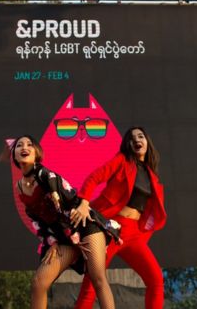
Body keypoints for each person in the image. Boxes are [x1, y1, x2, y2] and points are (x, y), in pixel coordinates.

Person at [10, 135, 120, 309]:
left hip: (83, 224)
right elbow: (38, 221)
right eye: (19, 145)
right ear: (14, 155)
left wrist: (54, 193)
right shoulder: (19, 188)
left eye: (29, 144)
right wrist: (52, 242)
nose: (24, 147)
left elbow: (49, 177)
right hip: (63, 237)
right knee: (39, 282)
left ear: (37, 152)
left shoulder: (42, 173)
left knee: (97, 277)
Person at [73, 127, 167, 309]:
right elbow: (94, 177)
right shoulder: (122, 161)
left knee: (156, 280)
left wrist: (141, 235)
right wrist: (84, 201)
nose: (137, 140)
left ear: (147, 142)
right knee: (92, 282)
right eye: (132, 139)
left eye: (141, 136)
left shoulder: (151, 176)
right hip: (110, 227)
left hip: (134, 234)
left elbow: (150, 215)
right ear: (128, 145)